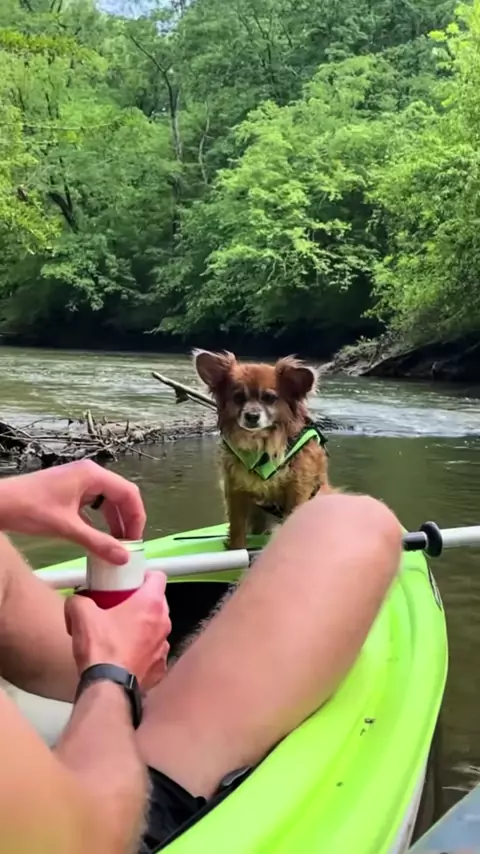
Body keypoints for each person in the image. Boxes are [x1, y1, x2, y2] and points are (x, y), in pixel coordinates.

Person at [0, 459, 402, 853]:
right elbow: (84, 839)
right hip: (103, 826)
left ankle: (147, 682)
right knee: (351, 524)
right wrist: (112, 678)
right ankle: (148, 700)